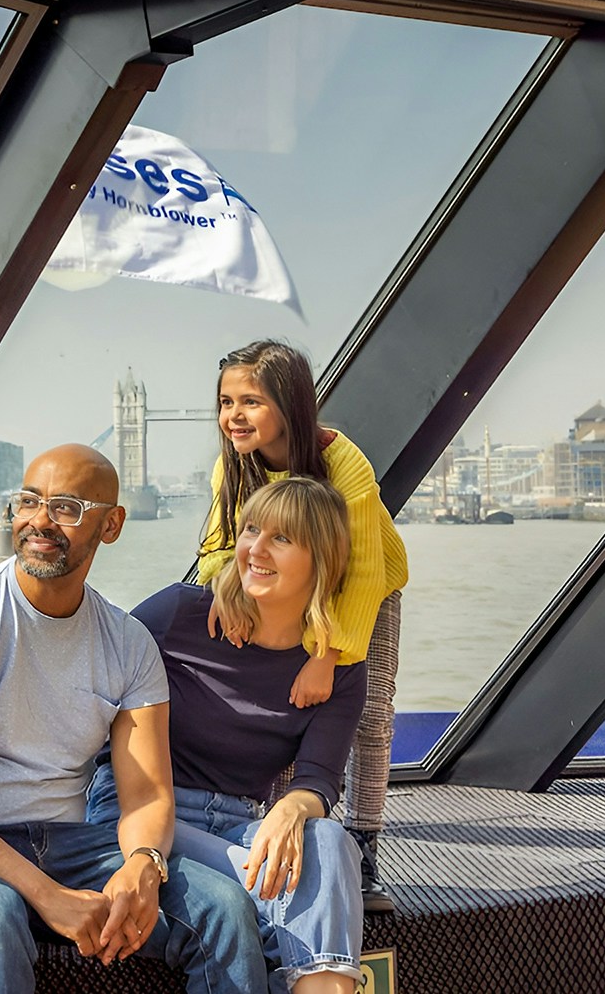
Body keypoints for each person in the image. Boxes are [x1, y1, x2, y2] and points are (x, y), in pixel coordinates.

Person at [0, 443, 267, 994]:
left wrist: (143, 864)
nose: (40, 521)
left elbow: (146, 795)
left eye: (66, 507)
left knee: (223, 908)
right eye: (29, 502)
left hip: (72, 843)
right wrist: (46, 895)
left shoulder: (127, 643)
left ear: (112, 524)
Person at [91, 478, 366, 994]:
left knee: (329, 840)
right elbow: (88, 677)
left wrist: (291, 809)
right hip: (141, 814)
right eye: (250, 530)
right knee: (285, 890)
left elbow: (319, 779)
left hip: (239, 823)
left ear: (322, 560)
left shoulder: (339, 668)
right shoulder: (179, 614)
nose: (255, 550)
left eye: (281, 539)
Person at [196, 340, 408, 911]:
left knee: (368, 712)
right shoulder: (232, 467)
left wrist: (329, 655)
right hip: (280, 589)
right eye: (225, 402)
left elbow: (362, 571)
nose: (233, 416)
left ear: (288, 404)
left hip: (363, 592)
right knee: (290, 707)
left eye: (251, 402)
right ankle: (286, 832)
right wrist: (227, 590)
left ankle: (362, 840)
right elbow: (217, 547)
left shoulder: (341, 460)